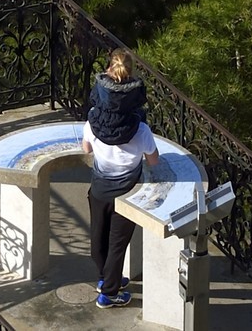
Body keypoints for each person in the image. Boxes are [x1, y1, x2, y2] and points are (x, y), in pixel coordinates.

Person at [81, 47, 158, 309]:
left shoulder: (93, 121)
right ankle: (109, 294)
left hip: (100, 188)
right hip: (128, 192)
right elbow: (153, 160)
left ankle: (105, 279)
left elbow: (87, 149)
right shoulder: (140, 129)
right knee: (118, 244)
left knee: (98, 236)